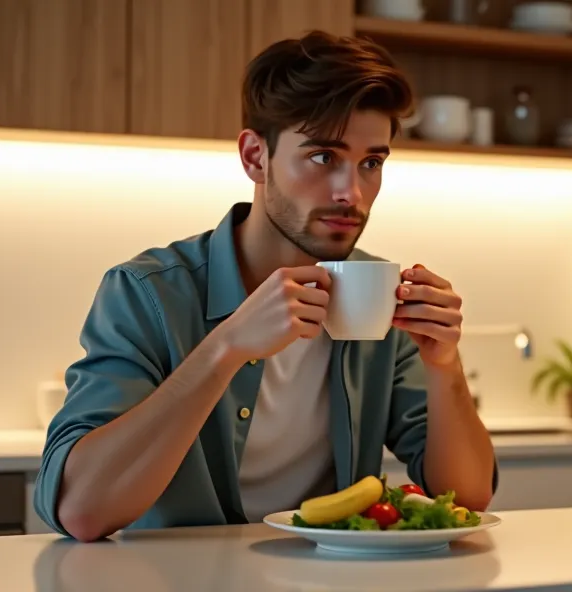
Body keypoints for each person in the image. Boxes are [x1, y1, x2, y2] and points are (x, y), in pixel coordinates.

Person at [33, 30, 498, 542]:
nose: (353, 193)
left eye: (372, 163)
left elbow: (469, 495)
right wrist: (226, 347)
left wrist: (444, 365)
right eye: (324, 156)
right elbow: (80, 510)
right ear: (256, 157)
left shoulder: (380, 295)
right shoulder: (147, 293)